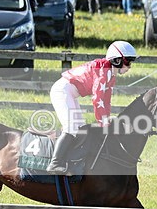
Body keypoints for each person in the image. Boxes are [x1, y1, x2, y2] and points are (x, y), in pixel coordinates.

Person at [47, 41, 138, 174]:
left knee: (80, 128)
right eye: (128, 62)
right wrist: (103, 123)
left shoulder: (110, 75)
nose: (129, 66)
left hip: (69, 93)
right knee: (71, 127)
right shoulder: (103, 73)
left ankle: (70, 160)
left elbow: (106, 101)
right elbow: (97, 100)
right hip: (62, 91)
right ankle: (54, 164)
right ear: (117, 60)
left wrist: (106, 119)